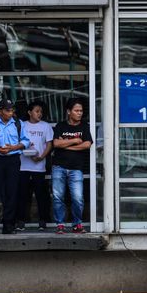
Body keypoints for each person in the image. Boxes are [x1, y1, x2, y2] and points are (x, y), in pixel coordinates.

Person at [0, 98, 30, 235]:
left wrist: (14, 147)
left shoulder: (18, 123)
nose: (11, 112)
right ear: (0, 111)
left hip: (13, 160)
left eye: (12, 110)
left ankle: (8, 226)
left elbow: (26, 141)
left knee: (11, 194)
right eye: (8, 110)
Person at [51, 97, 92, 234]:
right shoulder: (60, 126)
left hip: (76, 169)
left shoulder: (84, 126)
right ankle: (60, 224)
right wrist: (75, 140)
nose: (79, 113)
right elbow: (56, 144)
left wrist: (66, 145)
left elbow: (87, 144)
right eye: (76, 110)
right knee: (58, 197)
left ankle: (77, 224)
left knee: (78, 198)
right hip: (59, 167)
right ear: (69, 111)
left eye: (81, 111)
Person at [15, 101, 53, 231]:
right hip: (23, 166)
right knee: (23, 195)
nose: (40, 114)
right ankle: (21, 221)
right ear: (29, 112)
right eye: (37, 111)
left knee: (41, 195)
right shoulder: (22, 125)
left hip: (39, 166)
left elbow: (49, 144)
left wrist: (42, 156)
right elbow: (18, 143)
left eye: (41, 111)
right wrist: (29, 153)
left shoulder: (46, 126)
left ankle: (42, 221)